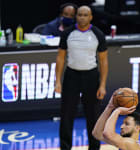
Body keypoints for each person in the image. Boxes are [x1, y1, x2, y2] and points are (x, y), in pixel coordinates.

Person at [55, 5, 108, 150]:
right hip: (72, 76)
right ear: (76, 16)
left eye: (85, 15)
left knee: (93, 116)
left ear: (91, 17)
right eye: (79, 15)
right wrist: (57, 81)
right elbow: (60, 58)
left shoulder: (97, 34)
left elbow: (103, 61)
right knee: (66, 115)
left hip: (91, 76)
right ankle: (65, 147)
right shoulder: (67, 33)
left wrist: (102, 85)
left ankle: (94, 147)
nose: (82, 17)